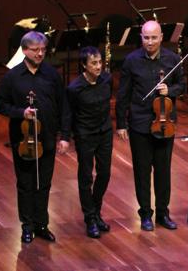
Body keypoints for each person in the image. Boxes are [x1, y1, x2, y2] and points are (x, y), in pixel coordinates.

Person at [0, 31, 70, 243]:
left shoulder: (52, 74)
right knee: (26, 183)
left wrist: (64, 136)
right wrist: (21, 113)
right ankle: (27, 225)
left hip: (47, 137)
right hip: (23, 141)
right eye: (36, 50)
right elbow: (0, 105)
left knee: (44, 183)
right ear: (25, 50)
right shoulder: (12, 77)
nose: (40, 54)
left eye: (43, 50)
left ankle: (42, 224)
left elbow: (63, 105)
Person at [116, 20, 184, 231]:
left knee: (163, 171)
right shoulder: (131, 61)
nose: (150, 42)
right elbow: (123, 94)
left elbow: (181, 85)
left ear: (162, 37)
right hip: (140, 123)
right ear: (141, 38)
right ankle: (145, 213)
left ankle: (163, 213)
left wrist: (169, 91)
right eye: (146, 38)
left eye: (154, 37)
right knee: (142, 171)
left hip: (165, 124)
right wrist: (121, 123)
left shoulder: (173, 59)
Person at [66, 46, 113, 238]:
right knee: (86, 176)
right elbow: (68, 114)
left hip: (104, 132)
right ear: (84, 65)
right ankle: (90, 218)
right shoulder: (74, 88)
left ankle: (96, 210)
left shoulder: (107, 80)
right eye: (93, 63)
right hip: (85, 134)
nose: (98, 66)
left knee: (104, 173)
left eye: (100, 62)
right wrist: (65, 137)